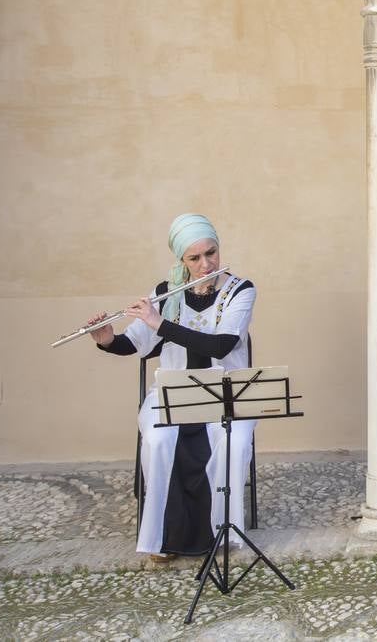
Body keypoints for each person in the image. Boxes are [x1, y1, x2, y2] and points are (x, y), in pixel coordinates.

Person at [88, 213, 255, 561]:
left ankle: (220, 531)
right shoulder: (165, 292)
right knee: (160, 439)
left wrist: (160, 322)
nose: (206, 264)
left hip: (226, 394)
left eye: (211, 253)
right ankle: (163, 536)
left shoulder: (241, 290)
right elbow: (134, 344)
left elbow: (221, 345)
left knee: (233, 441)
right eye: (194, 258)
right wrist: (107, 340)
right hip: (173, 394)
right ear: (181, 259)